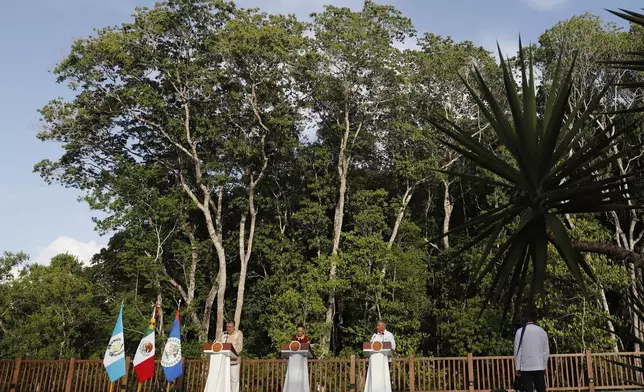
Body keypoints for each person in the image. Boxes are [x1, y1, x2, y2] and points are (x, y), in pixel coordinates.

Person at [514, 308, 549, 392]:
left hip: (525, 366)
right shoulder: (542, 331)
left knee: (527, 389)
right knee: (541, 389)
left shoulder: (520, 332)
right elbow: (545, 351)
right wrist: (544, 365)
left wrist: (517, 367)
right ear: (535, 319)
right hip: (539, 365)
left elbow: (518, 351)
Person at [225, 320, 244, 392]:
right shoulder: (224, 334)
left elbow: (240, 346)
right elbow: (220, 345)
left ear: (234, 327)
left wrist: (233, 353)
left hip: (234, 360)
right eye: (227, 327)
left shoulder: (238, 333)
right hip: (225, 360)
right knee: (226, 379)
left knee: (234, 379)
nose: (228, 328)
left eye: (230, 327)